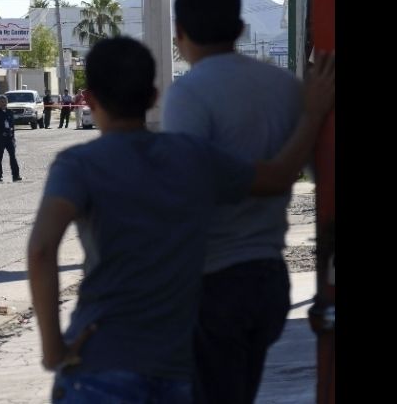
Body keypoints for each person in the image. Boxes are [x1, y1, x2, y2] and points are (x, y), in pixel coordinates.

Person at [27, 36, 334, 403]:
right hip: (177, 372)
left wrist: (53, 349)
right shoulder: (192, 157)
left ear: (89, 101)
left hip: (99, 363)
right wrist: (313, 112)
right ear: (154, 96)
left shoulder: (77, 165)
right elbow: (280, 176)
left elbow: (42, 250)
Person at [161, 0, 316, 404]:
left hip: (213, 284)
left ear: (180, 32)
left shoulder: (187, 95)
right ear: (241, 28)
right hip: (269, 279)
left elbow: (185, 194)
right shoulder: (285, 87)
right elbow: (316, 173)